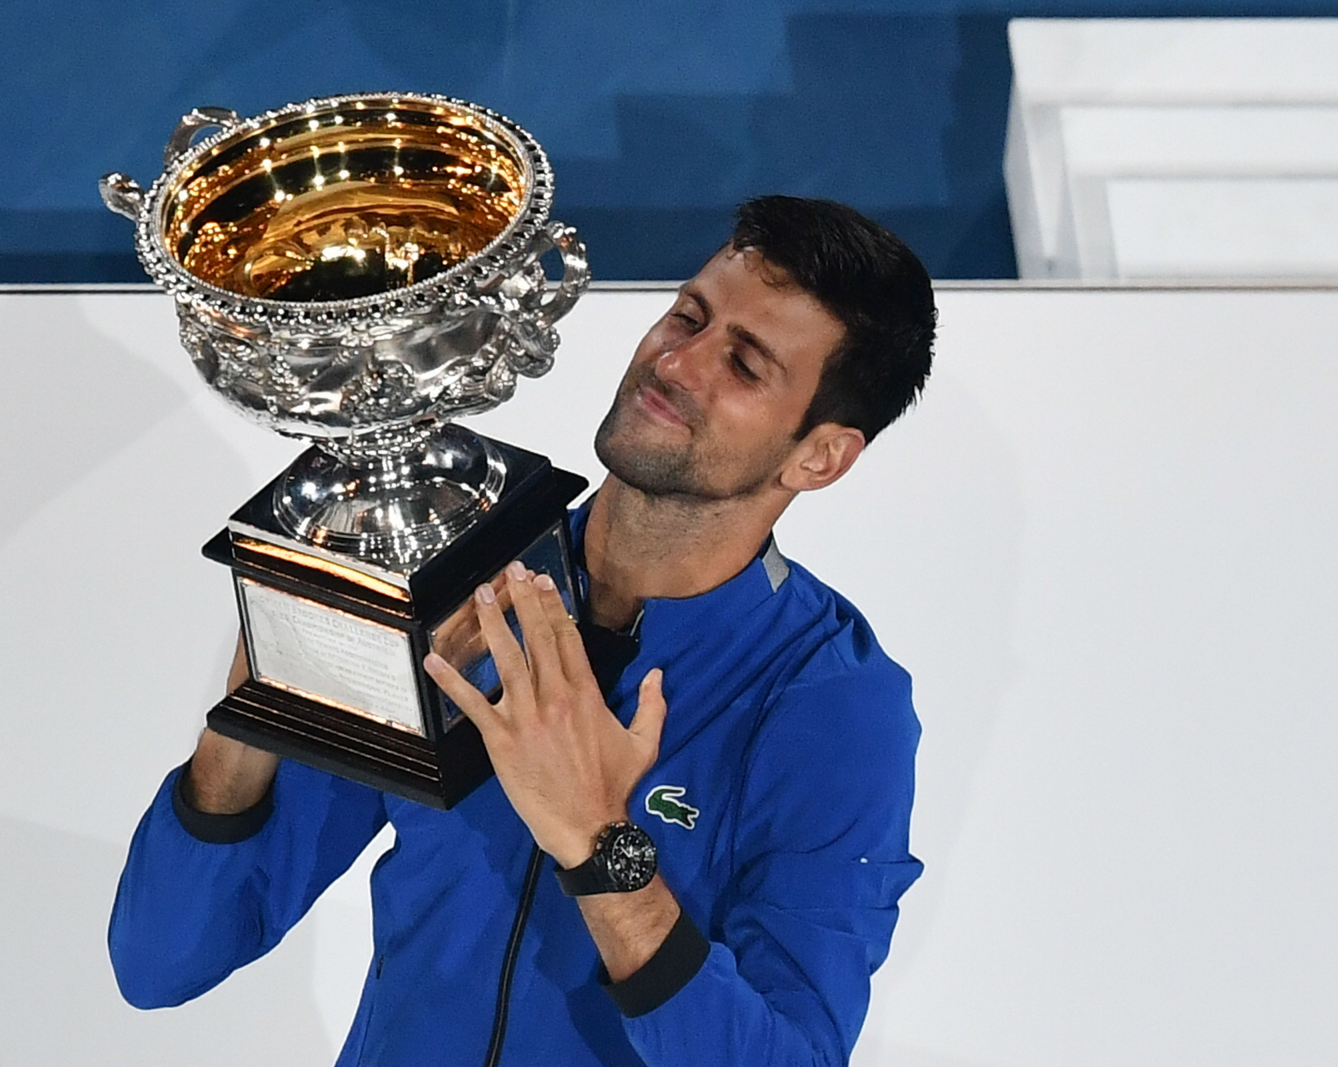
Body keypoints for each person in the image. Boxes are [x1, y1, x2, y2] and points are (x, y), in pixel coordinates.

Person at [109, 195, 937, 1066]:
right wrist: (253, 712)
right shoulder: (460, 571)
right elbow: (161, 960)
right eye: (688, 316)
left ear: (819, 456)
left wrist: (596, 839)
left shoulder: (834, 705)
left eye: (745, 364)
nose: (677, 362)